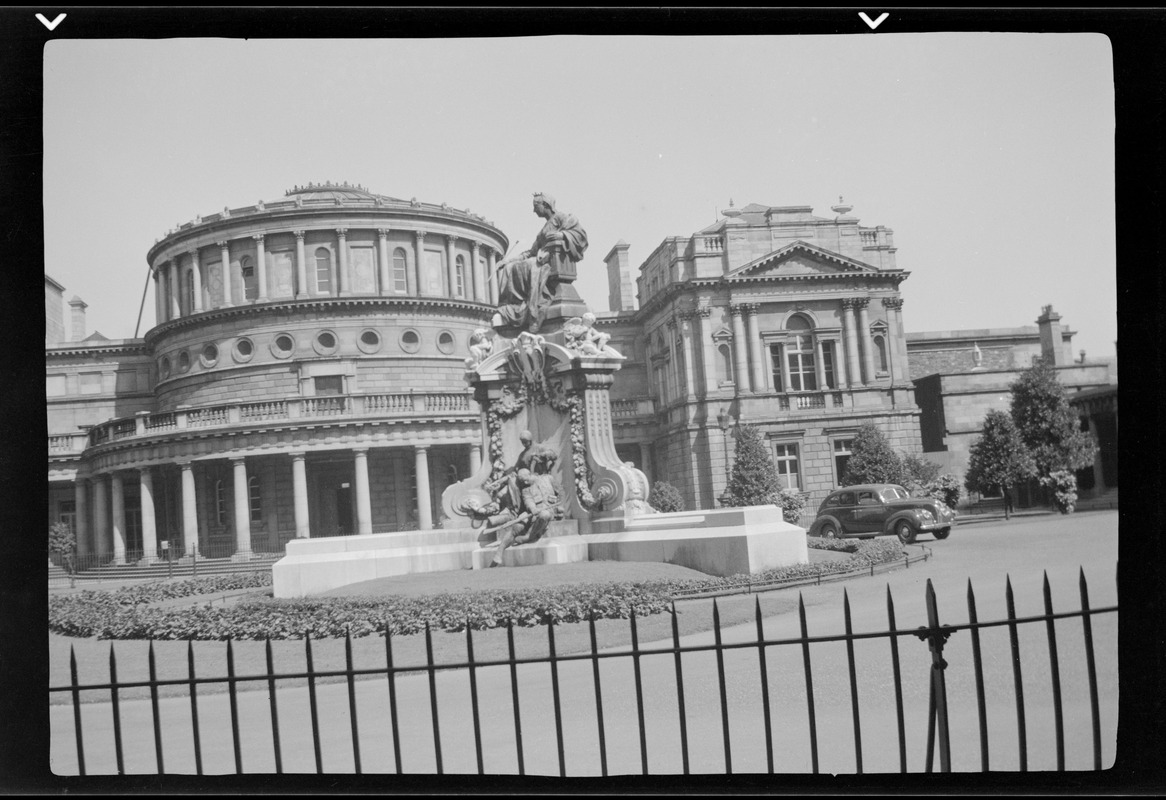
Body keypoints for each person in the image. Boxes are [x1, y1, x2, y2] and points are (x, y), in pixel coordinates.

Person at [492, 193, 589, 333]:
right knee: (511, 268)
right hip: (540, 258)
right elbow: (530, 252)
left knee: (530, 266)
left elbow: (580, 234)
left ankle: (531, 312)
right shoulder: (543, 230)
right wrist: (507, 261)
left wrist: (562, 235)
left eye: (535, 206)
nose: (534, 210)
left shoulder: (561, 217)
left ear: (545, 205)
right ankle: (514, 306)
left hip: (553, 261)